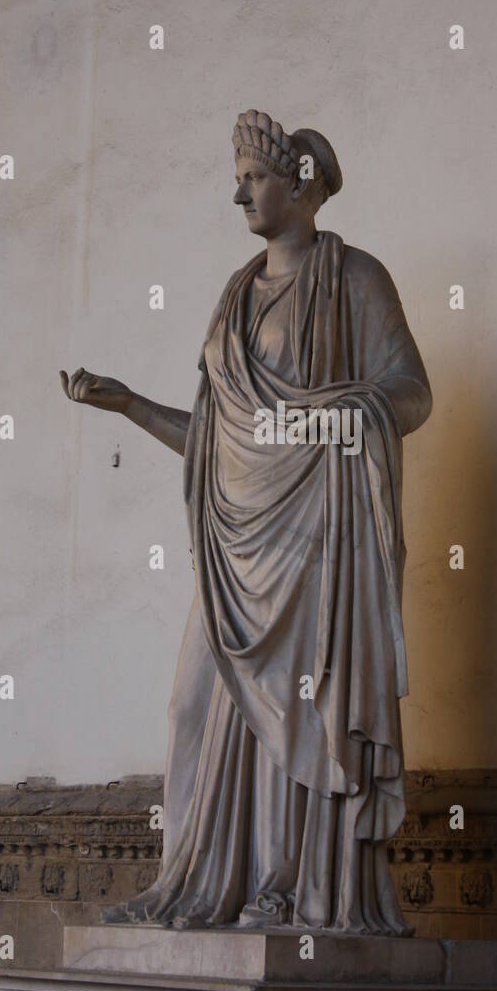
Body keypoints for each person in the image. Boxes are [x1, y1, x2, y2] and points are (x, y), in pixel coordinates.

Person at [60, 110, 432, 933]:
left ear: (300, 184)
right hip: (238, 551)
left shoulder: (356, 280)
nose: (240, 195)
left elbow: (412, 394)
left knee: (298, 715)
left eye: (253, 178)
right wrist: (128, 406)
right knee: (193, 709)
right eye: (239, 178)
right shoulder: (234, 300)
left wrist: (342, 412)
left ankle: (287, 887)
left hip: (317, 547)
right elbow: (218, 446)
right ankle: (190, 886)